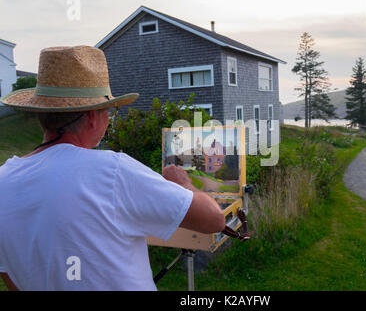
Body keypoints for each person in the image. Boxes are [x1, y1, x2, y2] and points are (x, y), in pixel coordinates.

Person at [0, 46, 225, 290]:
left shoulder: (4, 181)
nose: (109, 119)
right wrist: (183, 183)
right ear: (92, 117)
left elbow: (10, 276)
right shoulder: (112, 171)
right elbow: (213, 220)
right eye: (110, 111)